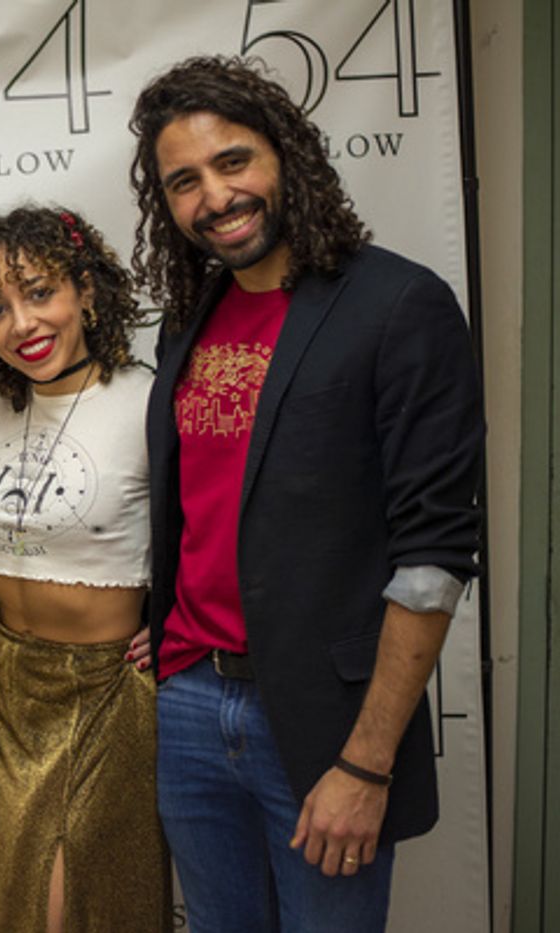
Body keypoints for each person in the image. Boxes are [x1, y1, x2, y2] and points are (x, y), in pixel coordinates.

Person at [127, 56, 485, 932]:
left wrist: (366, 763)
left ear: (286, 154)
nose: (215, 196)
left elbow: (434, 558)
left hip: (328, 726)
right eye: (184, 182)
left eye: (233, 161)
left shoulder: (399, 304)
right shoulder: (190, 317)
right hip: (190, 705)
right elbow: (204, 504)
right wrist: (166, 624)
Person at [0, 206, 170, 933]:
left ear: (87, 292)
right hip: (11, 684)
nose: (21, 323)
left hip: (109, 688)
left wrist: (176, 626)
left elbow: (216, 530)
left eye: (39, 292)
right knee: (15, 904)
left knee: (90, 905)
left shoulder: (146, 399)